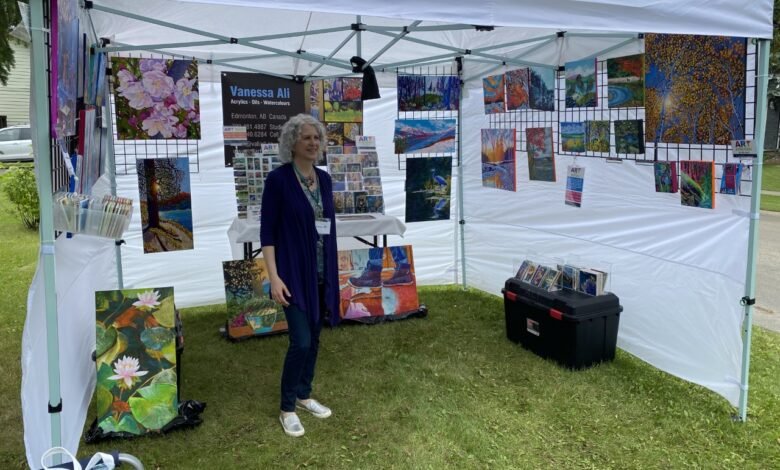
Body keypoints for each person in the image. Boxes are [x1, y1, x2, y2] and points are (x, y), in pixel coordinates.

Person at [260, 114, 339, 437]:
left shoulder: (324, 179)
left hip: (320, 270)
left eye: (316, 138)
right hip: (292, 273)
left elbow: (328, 226)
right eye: (306, 137)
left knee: (315, 337)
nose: (312, 143)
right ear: (292, 142)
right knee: (301, 341)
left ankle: (304, 394)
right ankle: (287, 407)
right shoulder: (278, 180)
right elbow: (267, 233)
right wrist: (274, 277)